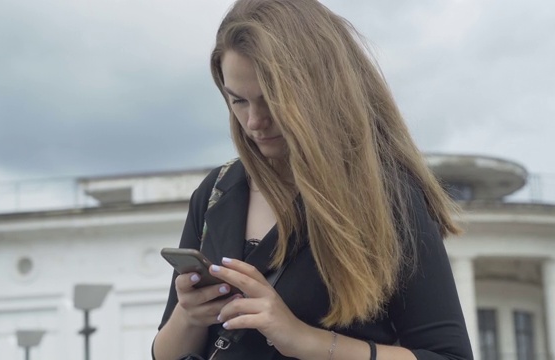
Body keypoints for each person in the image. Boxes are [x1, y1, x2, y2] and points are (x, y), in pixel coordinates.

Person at [152, 0, 474, 359]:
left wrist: (304, 340)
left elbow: (449, 355)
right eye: (238, 101)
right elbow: (165, 353)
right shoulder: (216, 191)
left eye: (271, 100)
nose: (254, 121)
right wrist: (188, 315)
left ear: (319, 91)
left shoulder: (388, 198)